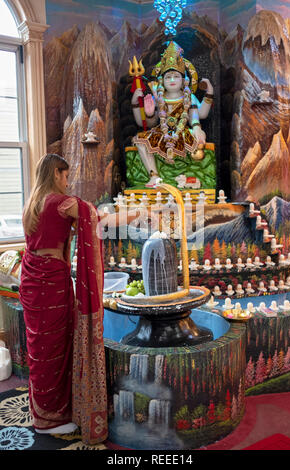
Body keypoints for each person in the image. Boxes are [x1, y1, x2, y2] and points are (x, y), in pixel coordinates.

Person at [20, 153, 149, 444]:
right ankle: (50, 420)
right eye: (65, 175)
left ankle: (42, 412)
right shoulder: (61, 202)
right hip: (50, 282)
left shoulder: (34, 203)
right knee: (54, 345)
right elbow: (100, 219)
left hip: (31, 278)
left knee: (40, 346)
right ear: (55, 174)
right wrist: (137, 214)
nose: (68, 181)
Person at [131, 41, 214, 187]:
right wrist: (149, 113)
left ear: (184, 80)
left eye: (176, 76)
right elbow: (145, 124)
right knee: (139, 140)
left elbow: (198, 115)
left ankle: (190, 180)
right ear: (162, 81)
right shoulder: (159, 99)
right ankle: (154, 175)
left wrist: (197, 127)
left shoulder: (189, 97)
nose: (172, 80)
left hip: (182, 132)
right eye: (168, 77)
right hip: (161, 133)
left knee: (198, 145)